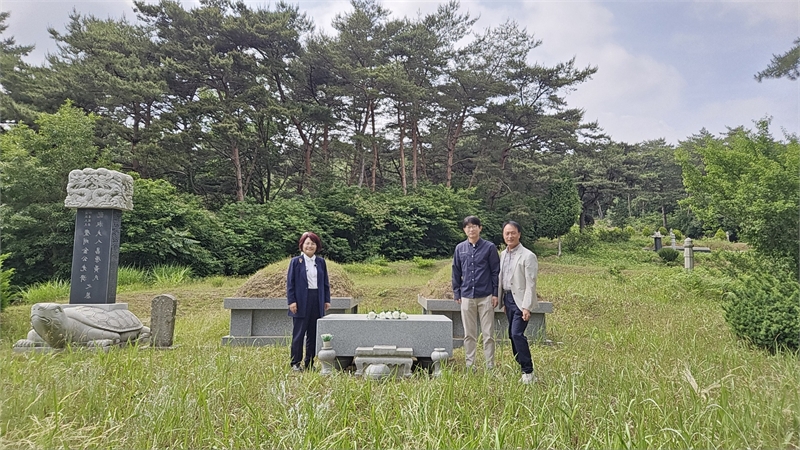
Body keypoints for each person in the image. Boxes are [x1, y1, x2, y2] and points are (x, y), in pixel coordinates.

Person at [452, 215, 500, 370]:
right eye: (468, 227)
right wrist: (456, 292)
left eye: (474, 226)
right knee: (469, 333)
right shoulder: (460, 248)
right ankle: (470, 364)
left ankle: (489, 365)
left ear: (480, 228)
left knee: (488, 334)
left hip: (486, 295)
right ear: (464, 230)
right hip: (466, 295)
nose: (471, 229)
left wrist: (495, 293)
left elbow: (495, 271)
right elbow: (456, 271)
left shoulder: (489, 247)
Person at [498, 221, 539, 384]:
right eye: (507, 233)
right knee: (511, 335)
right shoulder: (503, 254)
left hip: (521, 301)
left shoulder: (528, 256)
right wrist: (502, 301)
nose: (510, 236)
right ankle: (521, 364)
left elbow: (531, 283)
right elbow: (502, 279)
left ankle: (528, 371)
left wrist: (526, 307)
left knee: (517, 334)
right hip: (508, 299)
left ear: (519, 234)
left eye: (513, 233)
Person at [287, 231, 331, 371]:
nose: (310, 246)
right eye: (307, 243)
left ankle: (309, 363)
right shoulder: (296, 262)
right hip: (300, 300)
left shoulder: (321, 262)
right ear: (302, 245)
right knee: (299, 334)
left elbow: (325, 282)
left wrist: (326, 299)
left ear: (316, 246)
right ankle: (295, 363)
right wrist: (292, 301)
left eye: (313, 243)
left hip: (316, 299)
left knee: (313, 333)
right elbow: (290, 283)